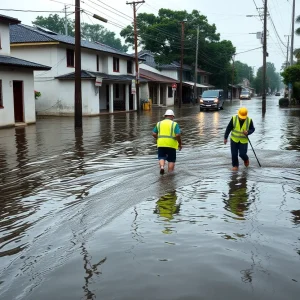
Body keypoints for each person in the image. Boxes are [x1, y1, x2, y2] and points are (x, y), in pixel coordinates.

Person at [224, 107, 255, 171]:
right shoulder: (234, 118)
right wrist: (225, 137)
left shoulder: (249, 120)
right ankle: (235, 166)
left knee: (242, 154)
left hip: (243, 140)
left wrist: (248, 132)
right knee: (234, 154)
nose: (242, 118)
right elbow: (228, 128)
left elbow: (252, 129)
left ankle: (246, 159)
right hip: (234, 139)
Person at [152, 109, 182, 175]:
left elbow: (154, 133)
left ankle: (162, 167)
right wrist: (180, 143)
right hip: (171, 145)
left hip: (161, 144)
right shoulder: (174, 124)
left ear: (165, 116)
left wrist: (158, 138)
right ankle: (170, 174)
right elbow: (178, 135)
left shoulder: (159, 123)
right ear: (172, 116)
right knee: (171, 160)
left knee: (161, 157)